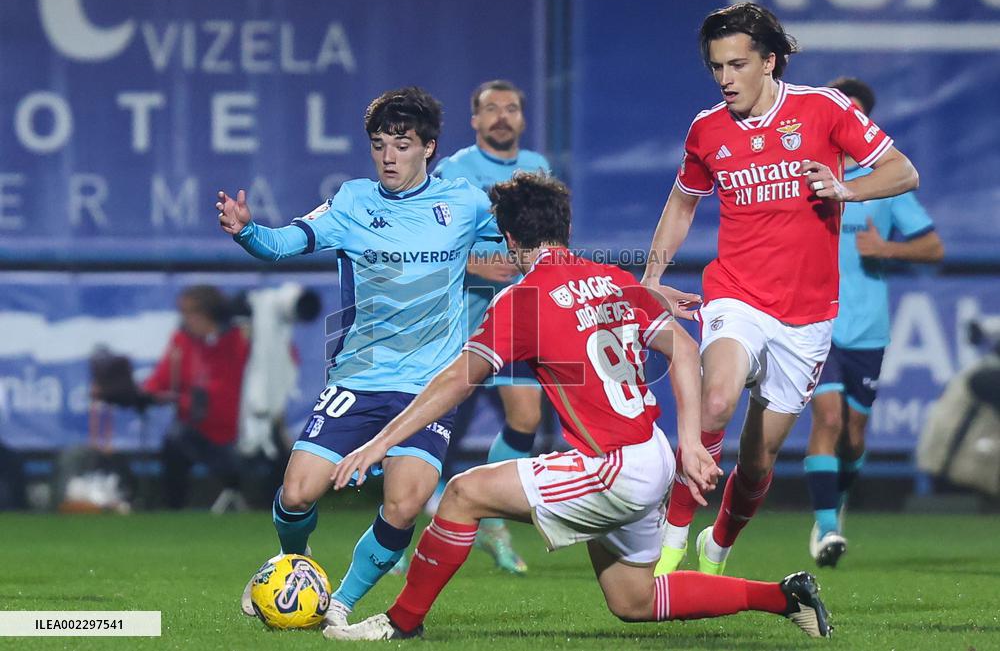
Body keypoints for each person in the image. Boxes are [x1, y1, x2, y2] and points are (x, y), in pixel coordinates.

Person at [324, 173, 832, 641]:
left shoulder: (524, 300)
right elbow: (683, 346)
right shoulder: (614, 279)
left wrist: (379, 443)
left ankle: (400, 624)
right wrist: (693, 442)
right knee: (632, 599)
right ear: (565, 227)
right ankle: (784, 595)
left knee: (461, 494)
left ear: (510, 240)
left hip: (612, 466)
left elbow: (456, 381)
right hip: (652, 454)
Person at [640, 2, 920, 576]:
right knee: (716, 399)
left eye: (737, 65)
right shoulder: (706, 128)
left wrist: (845, 189)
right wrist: (650, 278)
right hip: (736, 292)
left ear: (769, 62)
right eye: (716, 67)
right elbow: (683, 202)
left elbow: (903, 171)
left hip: (808, 314)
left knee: (759, 456)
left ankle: (718, 544)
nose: (725, 79)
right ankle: (670, 541)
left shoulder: (824, 110)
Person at [216, 86, 503, 628]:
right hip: (361, 377)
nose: (388, 157)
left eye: (401, 145)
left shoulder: (463, 203)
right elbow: (283, 244)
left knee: (403, 504)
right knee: (298, 493)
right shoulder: (352, 202)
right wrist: (246, 231)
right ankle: (290, 564)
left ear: (428, 148)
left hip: (429, 386)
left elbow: (525, 244)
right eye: (378, 145)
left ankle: (339, 604)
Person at [804, 77, 944, 567]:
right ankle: (825, 529)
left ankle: (834, 501)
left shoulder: (881, 180)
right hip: (814, 321)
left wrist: (887, 248)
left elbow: (932, 246)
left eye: (857, 114)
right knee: (829, 418)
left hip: (866, 326)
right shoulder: (802, 174)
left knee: (855, 437)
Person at [428, 79, 552, 574]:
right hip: (463, 316)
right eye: (491, 109)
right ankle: (399, 527)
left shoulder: (539, 168)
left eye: (512, 108)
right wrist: (475, 266)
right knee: (433, 425)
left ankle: (490, 518)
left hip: (520, 312)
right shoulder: (453, 171)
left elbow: (553, 235)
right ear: (474, 121)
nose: (502, 116)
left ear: (522, 119)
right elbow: (425, 241)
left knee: (525, 418)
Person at [143, 285, 249, 509]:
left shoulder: (238, 341)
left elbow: (222, 395)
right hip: (197, 430)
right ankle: (174, 509)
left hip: (234, 432)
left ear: (211, 314)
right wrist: (145, 393)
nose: (186, 319)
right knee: (174, 439)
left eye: (191, 313)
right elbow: (159, 381)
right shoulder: (181, 341)